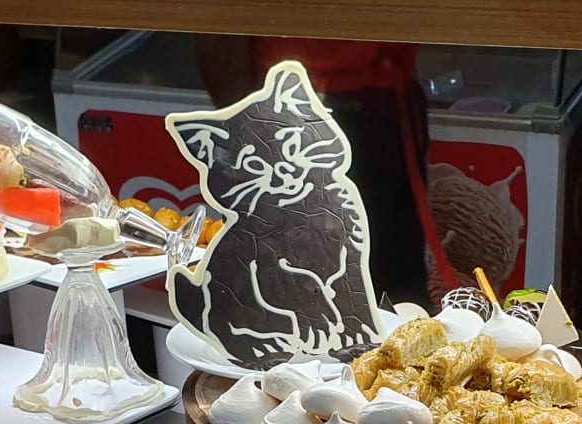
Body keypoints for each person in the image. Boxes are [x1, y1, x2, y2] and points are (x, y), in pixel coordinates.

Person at [195, 36, 458, 305]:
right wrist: (248, 124)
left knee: (394, 289)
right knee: (299, 282)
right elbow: (218, 40)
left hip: (383, 107)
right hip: (293, 110)